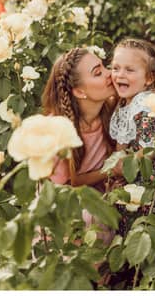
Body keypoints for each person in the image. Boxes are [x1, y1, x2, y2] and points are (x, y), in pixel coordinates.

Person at [42, 46, 123, 246]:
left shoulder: (111, 109)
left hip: (97, 190)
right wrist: (111, 171)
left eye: (104, 67)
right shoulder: (59, 129)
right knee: (90, 219)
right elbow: (69, 183)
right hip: (63, 198)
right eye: (98, 73)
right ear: (79, 91)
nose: (108, 74)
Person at [109, 38, 155, 152]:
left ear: (149, 78)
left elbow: (148, 153)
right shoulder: (125, 103)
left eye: (129, 70)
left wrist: (119, 166)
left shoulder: (146, 109)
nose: (120, 75)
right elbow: (121, 147)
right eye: (115, 68)